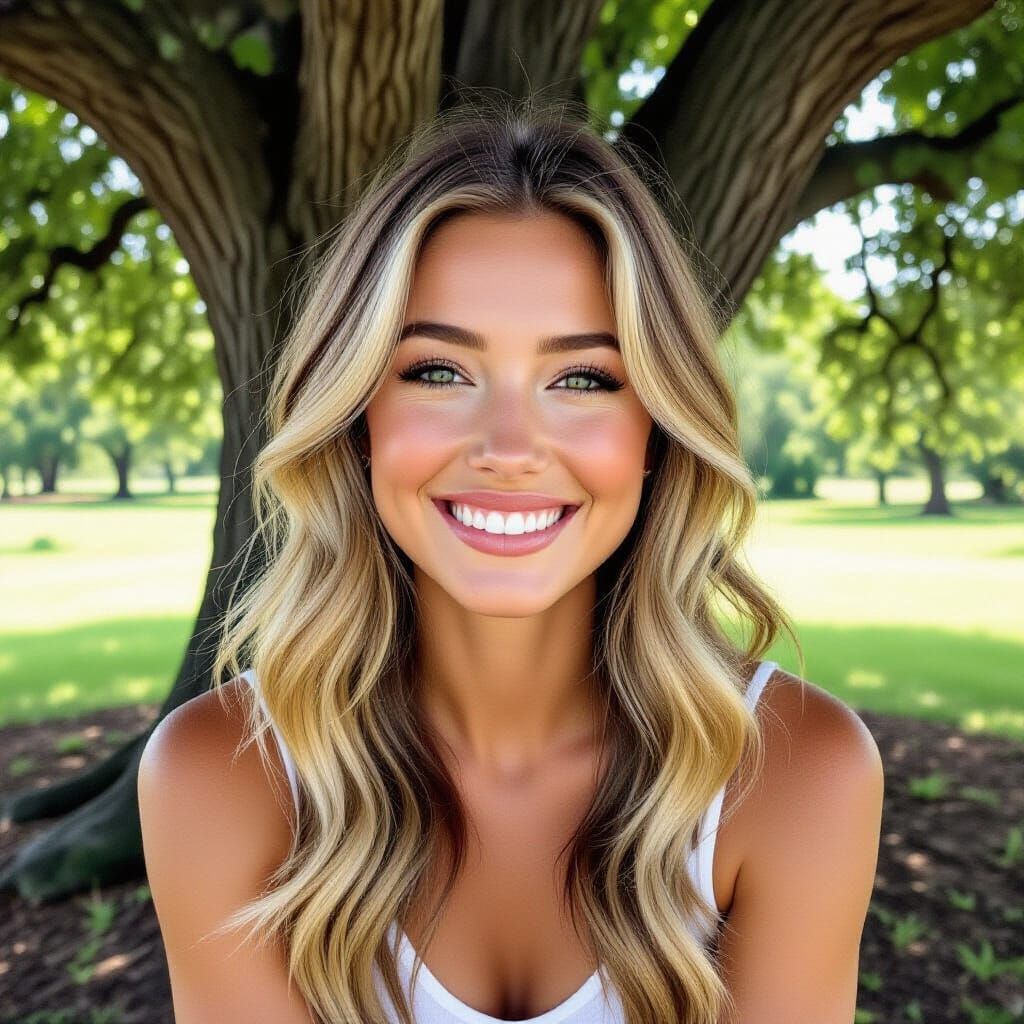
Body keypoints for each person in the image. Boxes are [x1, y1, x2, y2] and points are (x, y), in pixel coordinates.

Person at [137, 94, 884, 1024]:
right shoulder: (220, 778)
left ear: (658, 428)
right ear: (356, 415)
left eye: (582, 379)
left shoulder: (799, 775)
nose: (509, 445)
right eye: (438, 372)